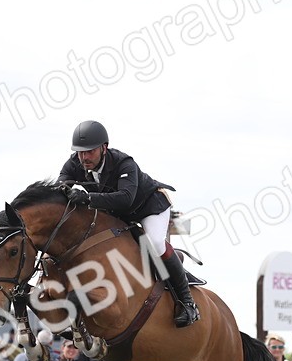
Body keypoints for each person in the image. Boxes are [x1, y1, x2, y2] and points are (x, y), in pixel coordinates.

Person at [56, 119, 199, 328]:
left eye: (90, 152)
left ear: (104, 148)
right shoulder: (75, 162)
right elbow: (62, 183)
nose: (84, 157)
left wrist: (87, 198)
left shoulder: (124, 163)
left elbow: (125, 198)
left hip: (149, 207)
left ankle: (187, 302)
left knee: (156, 242)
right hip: (118, 213)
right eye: (80, 152)